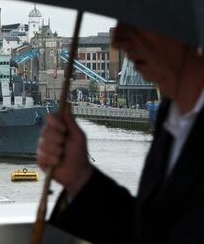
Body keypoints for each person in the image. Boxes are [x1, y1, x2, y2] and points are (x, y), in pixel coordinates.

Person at [38, 22, 204, 243]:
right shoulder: (170, 114)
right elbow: (147, 233)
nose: (118, 40)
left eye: (136, 22)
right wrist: (79, 178)